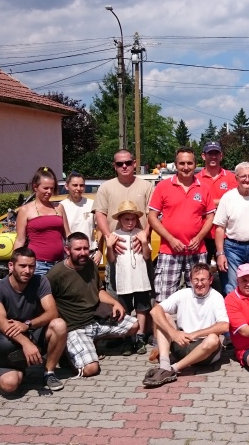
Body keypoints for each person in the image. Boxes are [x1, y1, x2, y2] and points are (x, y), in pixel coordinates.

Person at [46, 232, 139, 377]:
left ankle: (91, 342)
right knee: (91, 369)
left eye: (86, 248)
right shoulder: (56, 274)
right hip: (75, 327)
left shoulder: (90, 264)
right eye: (78, 249)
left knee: (134, 325)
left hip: (95, 320)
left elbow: (99, 290)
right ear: (67, 250)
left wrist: (115, 303)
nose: (83, 253)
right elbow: (45, 302)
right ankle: (66, 352)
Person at [92, 149, 154, 349]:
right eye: (120, 163)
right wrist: (109, 237)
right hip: (116, 248)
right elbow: (100, 214)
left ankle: (143, 333)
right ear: (114, 166)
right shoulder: (106, 187)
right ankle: (120, 333)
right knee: (116, 293)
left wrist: (144, 235)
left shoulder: (146, 186)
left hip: (139, 247)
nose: (124, 166)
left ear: (134, 163)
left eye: (128, 162)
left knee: (144, 294)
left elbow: (152, 214)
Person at [0, 247, 67, 393]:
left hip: (33, 332)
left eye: (31, 266)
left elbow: (52, 312)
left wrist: (27, 324)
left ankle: (49, 372)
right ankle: (15, 367)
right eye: (22, 266)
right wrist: (26, 344)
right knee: (9, 385)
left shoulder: (40, 281)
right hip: (9, 342)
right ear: (11, 266)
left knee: (59, 324)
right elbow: (1, 322)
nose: (28, 271)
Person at [142, 263, 229, 387]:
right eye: (196, 279)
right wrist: (174, 333)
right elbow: (154, 311)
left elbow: (224, 326)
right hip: (182, 342)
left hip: (205, 352)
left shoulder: (216, 297)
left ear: (210, 280)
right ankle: (164, 365)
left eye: (203, 279)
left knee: (213, 339)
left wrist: (195, 334)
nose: (199, 283)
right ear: (190, 280)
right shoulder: (183, 293)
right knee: (163, 316)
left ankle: (172, 369)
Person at [148, 146, 215, 302]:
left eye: (189, 163)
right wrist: (171, 239)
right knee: (164, 299)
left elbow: (210, 217)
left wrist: (199, 238)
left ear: (195, 164)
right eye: (182, 163)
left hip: (197, 250)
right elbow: (152, 217)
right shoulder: (163, 186)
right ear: (176, 164)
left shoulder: (204, 187)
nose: (186, 167)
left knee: (200, 298)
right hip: (169, 250)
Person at [214, 162, 249, 295]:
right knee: (232, 286)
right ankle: (233, 308)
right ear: (236, 178)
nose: (247, 179)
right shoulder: (228, 198)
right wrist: (220, 254)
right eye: (243, 176)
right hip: (233, 249)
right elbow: (220, 228)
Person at [105, 201, 153, 356]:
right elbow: (111, 259)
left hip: (140, 279)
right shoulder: (115, 235)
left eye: (133, 219)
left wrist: (144, 242)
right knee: (124, 310)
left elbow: (147, 256)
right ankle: (127, 337)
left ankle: (140, 337)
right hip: (124, 280)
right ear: (120, 219)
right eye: (127, 219)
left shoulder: (141, 233)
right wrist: (110, 246)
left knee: (142, 308)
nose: (130, 222)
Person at [14, 167, 70, 276]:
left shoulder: (59, 207)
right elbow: (20, 240)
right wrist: (15, 263)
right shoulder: (25, 210)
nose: (49, 192)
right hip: (37, 265)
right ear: (35, 187)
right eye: (45, 188)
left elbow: (67, 235)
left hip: (60, 263)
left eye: (52, 188)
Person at [196, 142, 239, 273]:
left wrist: (206, 203)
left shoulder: (231, 178)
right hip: (203, 234)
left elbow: (234, 201)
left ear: (221, 156)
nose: (213, 156)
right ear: (203, 156)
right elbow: (195, 204)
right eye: (210, 153)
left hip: (226, 234)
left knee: (227, 272)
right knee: (201, 273)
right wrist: (221, 202)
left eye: (216, 153)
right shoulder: (196, 179)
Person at [60, 172, 102, 265]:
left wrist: (100, 251)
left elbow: (99, 229)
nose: (78, 188)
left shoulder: (92, 204)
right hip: (69, 257)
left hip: (90, 256)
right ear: (66, 186)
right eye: (75, 185)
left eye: (81, 185)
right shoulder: (61, 206)